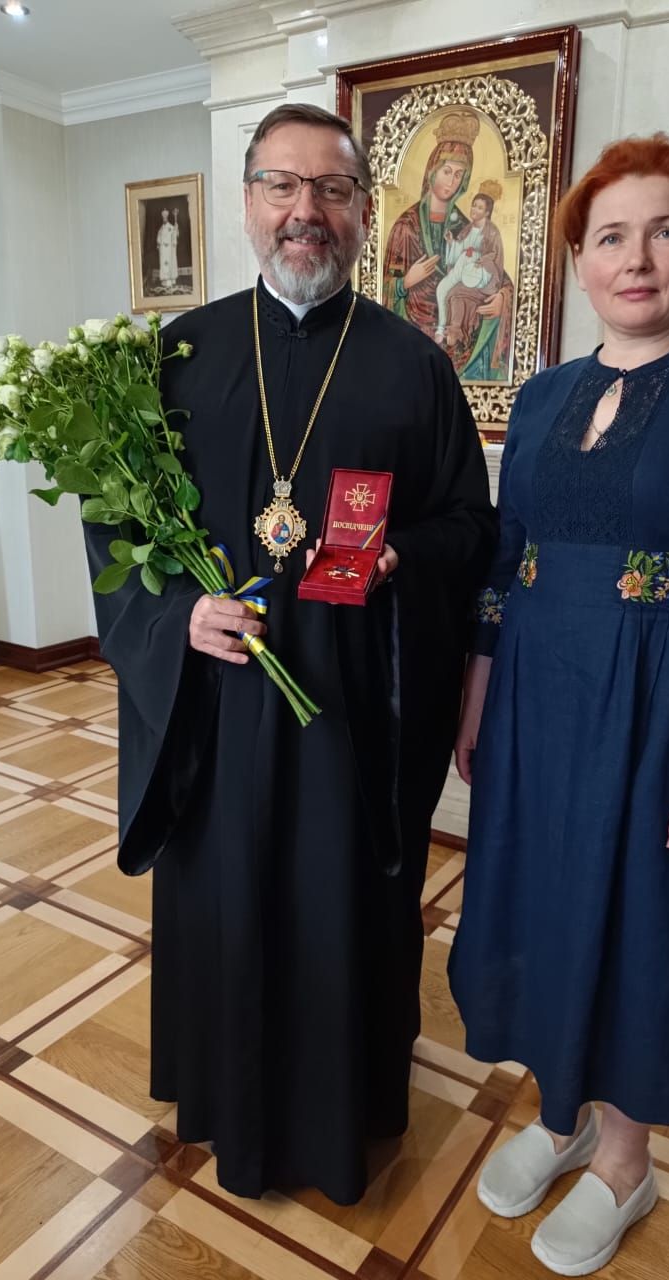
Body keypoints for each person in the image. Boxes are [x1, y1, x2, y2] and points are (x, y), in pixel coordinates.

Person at [84, 103, 496, 1206]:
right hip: (216, 708)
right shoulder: (174, 356)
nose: (305, 212)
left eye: (331, 190)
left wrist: (400, 556)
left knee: (338, 904)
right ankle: (227, 1102)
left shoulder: (416, 367)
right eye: (282, 187)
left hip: (352, 709)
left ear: (365, 213)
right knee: (223, 897)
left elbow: (471, 527)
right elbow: (113, 530)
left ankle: (340, 1112)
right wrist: (178, 618)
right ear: (248, 200)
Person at [450, 133, 669, 1275]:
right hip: (536, 704)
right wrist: (477, 694)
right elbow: (508, 562)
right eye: (611, 235)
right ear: (579, 260)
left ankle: (623, 1156)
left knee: (648, 925)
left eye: (666, 229)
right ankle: (558, 1116)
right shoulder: (546, 393)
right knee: (542, 905)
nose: (638, 256)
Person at [383, 111, 513, 380]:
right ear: (432, 170)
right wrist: (405, 283)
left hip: (460, 323)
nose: (452, 181)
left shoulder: (468, 226)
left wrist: (503, 297)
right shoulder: (406, 226)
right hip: (412, 340)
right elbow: (378, 295)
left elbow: (498, 272)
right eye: (446, 171)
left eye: (459, 175)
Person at [435, 182, 506, 354]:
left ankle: (455, 333)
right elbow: (458, 252)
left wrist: (479, 259)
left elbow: (495, 257)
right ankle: (441, 327)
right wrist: (452, 242)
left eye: (479, 208)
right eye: (474, 205)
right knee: (441, 288)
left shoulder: (492, 233)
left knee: (456, 294)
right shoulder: (467, 229)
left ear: (487, 212)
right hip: (461, 270)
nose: (474, 210)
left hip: (477, 277)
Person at [156, 207, 178, 290]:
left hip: (169, 249)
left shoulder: (171, 227)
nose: (164, 219)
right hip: (162, 250)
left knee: (169, 263)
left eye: (165, 217)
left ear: (167, 218)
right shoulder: (161, 229)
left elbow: (174, 236)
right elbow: (158, 237)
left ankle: (170, 281)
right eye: (163, 217)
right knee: (163, 264)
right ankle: (164, 281)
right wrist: (159, 244)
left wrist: (175, 231)